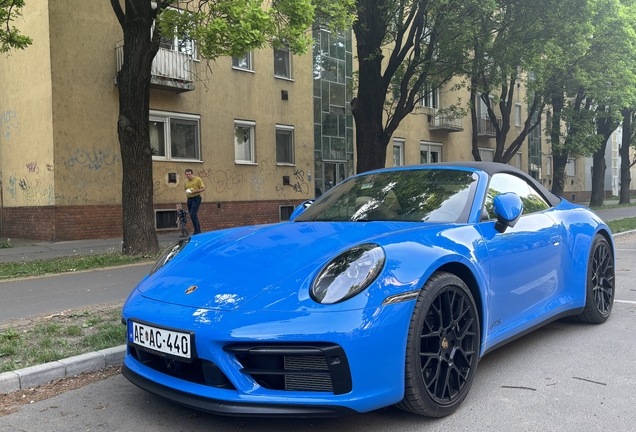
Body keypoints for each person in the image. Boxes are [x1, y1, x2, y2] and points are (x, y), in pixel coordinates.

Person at [184, 169, 205, 235]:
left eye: (189, 174)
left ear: (192, 174)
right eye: (187, 174)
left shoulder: (197, 179)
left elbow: (203, 188)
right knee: (191, 215)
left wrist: (195, 191)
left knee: (193, 214)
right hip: (189, 199)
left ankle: (197, 231)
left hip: (196, 198)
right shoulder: (186, 182)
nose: (188, 176)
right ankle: (197, 230)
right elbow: (186, 190)